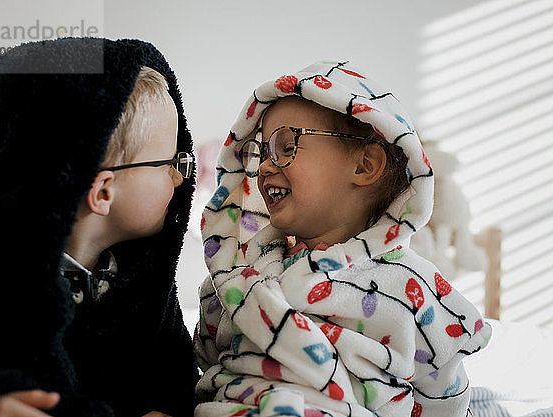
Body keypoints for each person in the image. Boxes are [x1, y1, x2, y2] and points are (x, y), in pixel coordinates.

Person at [194, 61, 491, 417]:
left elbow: (445, 397)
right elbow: (207, 359)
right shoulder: (239, 273)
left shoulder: (410, 284)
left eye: (286, 146)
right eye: (263, 152)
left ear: (364, 166)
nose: (267, 167)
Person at [0, 37, 198, 417]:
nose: (180, 177)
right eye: (170, 161)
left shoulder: (146, 286)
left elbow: (176, 376)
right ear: (103, 191)